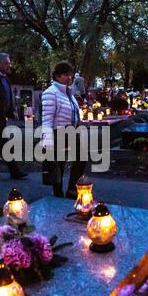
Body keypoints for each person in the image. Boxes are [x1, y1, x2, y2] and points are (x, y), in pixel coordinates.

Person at [41, 61, 87, 199]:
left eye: (70, 75)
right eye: (65, 75)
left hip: (71, 131)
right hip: (58, 131)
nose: (69, 78)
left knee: (81, 157)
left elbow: (73, 111)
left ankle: (72, 189)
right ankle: (58, 192)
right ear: (57, 76)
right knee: (58, 163)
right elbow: (47, 117)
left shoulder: (68, 92)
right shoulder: (51, 93)